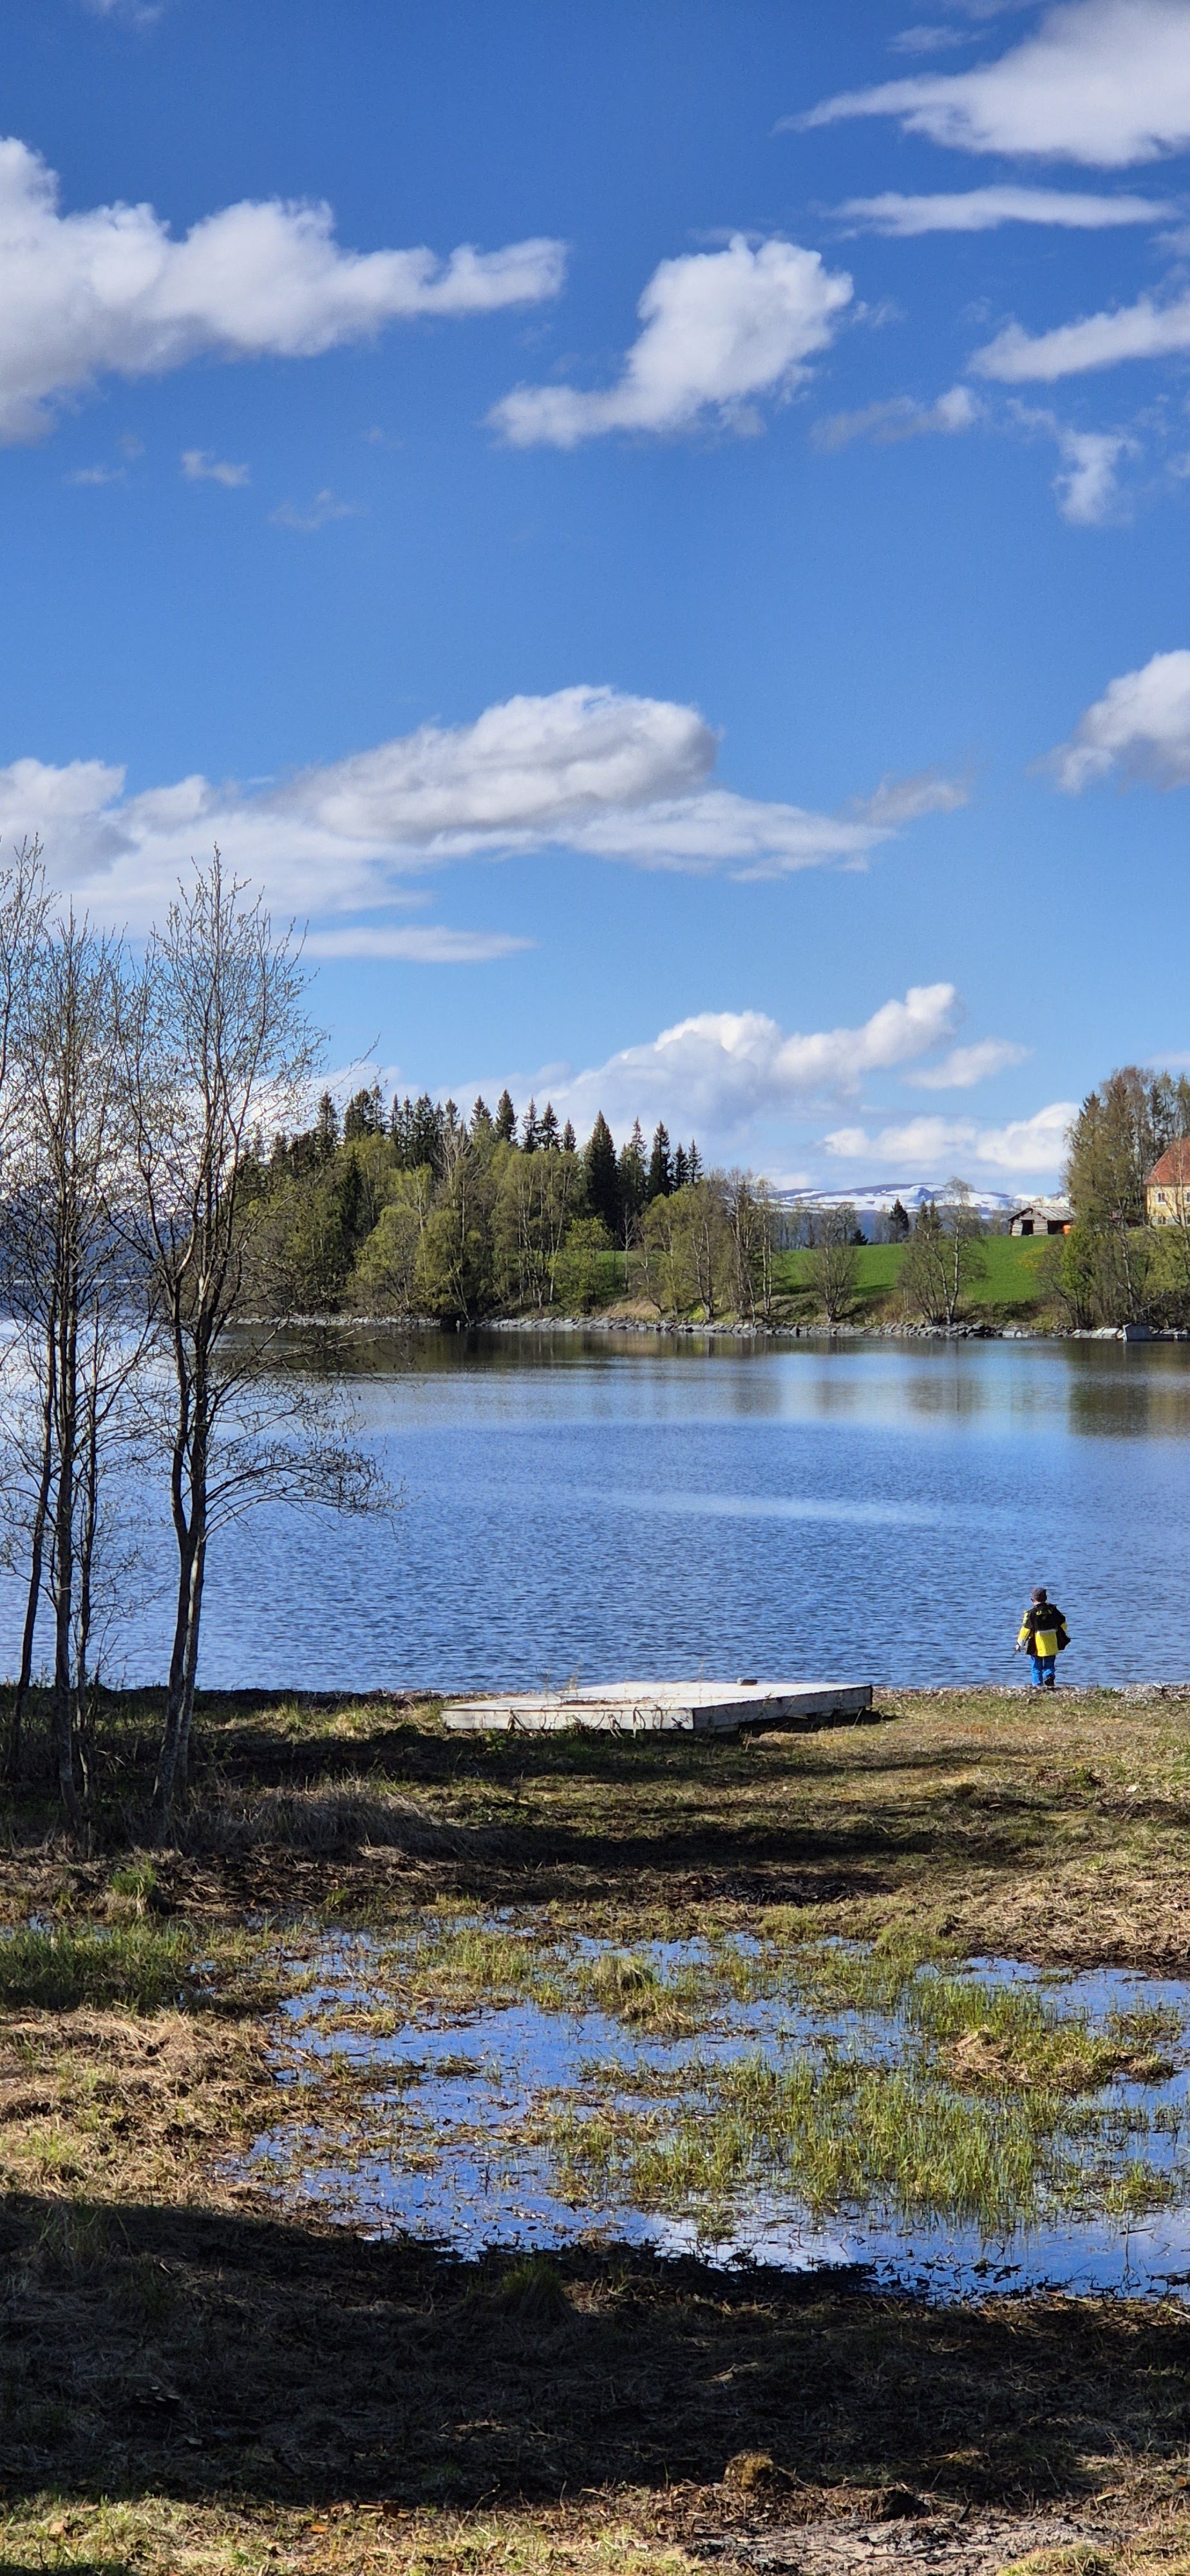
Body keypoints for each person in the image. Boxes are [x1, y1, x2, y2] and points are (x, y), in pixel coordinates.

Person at [1015, 1586, 1069, 1689]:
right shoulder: (1054, 1610)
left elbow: (1025, 1630)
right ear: (1046, 1598)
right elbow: (1063, 1624)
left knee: (1036, 1666)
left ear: (1033, 1600)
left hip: (1036, 1645)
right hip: (1052, 1643)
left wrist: (1019, 1644)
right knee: (1050, 1663)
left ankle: (1037, 1685)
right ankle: (1049, 1676)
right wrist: (1063, 1634)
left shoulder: (1031, 1614)